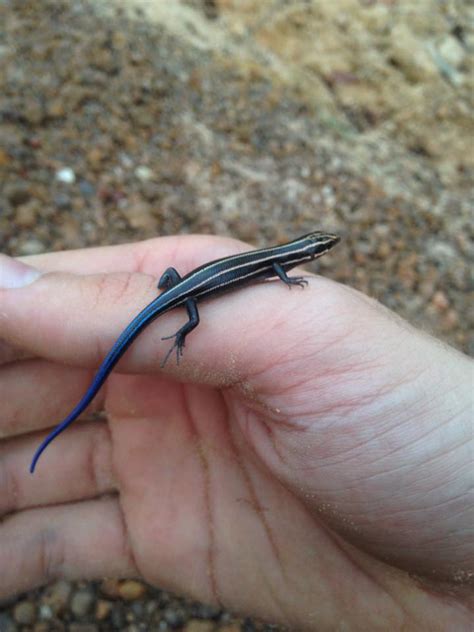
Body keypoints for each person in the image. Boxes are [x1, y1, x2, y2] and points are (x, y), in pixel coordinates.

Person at [0, 235, 472, 630]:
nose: (321, 250)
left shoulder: (273, 257)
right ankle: (179, 333)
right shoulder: (280, 268)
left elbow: (266, 273)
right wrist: (184, 328)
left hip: (180, 288)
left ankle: (171, 328)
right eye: (320, 247)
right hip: (187, 299)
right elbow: (279, 278)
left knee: (176, 297)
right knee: (189, 317)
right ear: (305, 255)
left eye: (320, 247)